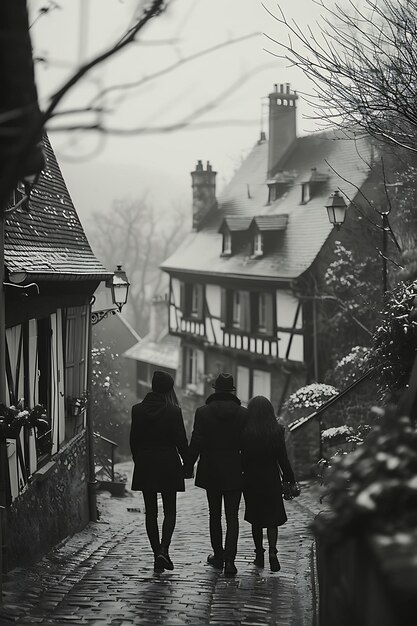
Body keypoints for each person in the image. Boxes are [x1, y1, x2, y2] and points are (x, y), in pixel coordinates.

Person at [185, 372, 247, 577]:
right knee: (232, 517)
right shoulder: (242, 414)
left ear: (215, 389)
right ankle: (230, 561)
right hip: (235, 469)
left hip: (211, 468)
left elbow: (197, 441)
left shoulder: (203, 412)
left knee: (214, 515)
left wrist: (188, 466)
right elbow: (247, 445)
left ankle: (218, 556)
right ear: (231, 391)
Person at [129, 370, 188, 572]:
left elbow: (133, 441)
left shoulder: (137, 410)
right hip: (168, 463)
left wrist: (140, 460)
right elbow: (181, 441)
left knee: (151, 512)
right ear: (169, 389)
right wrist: (187, 463)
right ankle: (164, 550)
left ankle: (157, 554)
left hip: (146, 462)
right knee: (170, 510)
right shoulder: (174, 411)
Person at [241, 395, 299, 572]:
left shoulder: (246, 431)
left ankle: (259, 553)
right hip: (271, 478)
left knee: (256, 518)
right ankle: (273, 552)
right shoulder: (277, 431)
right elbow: (283, 458)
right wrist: (290, 478)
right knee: (272, 517)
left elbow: (243, 458)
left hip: (251, 479)